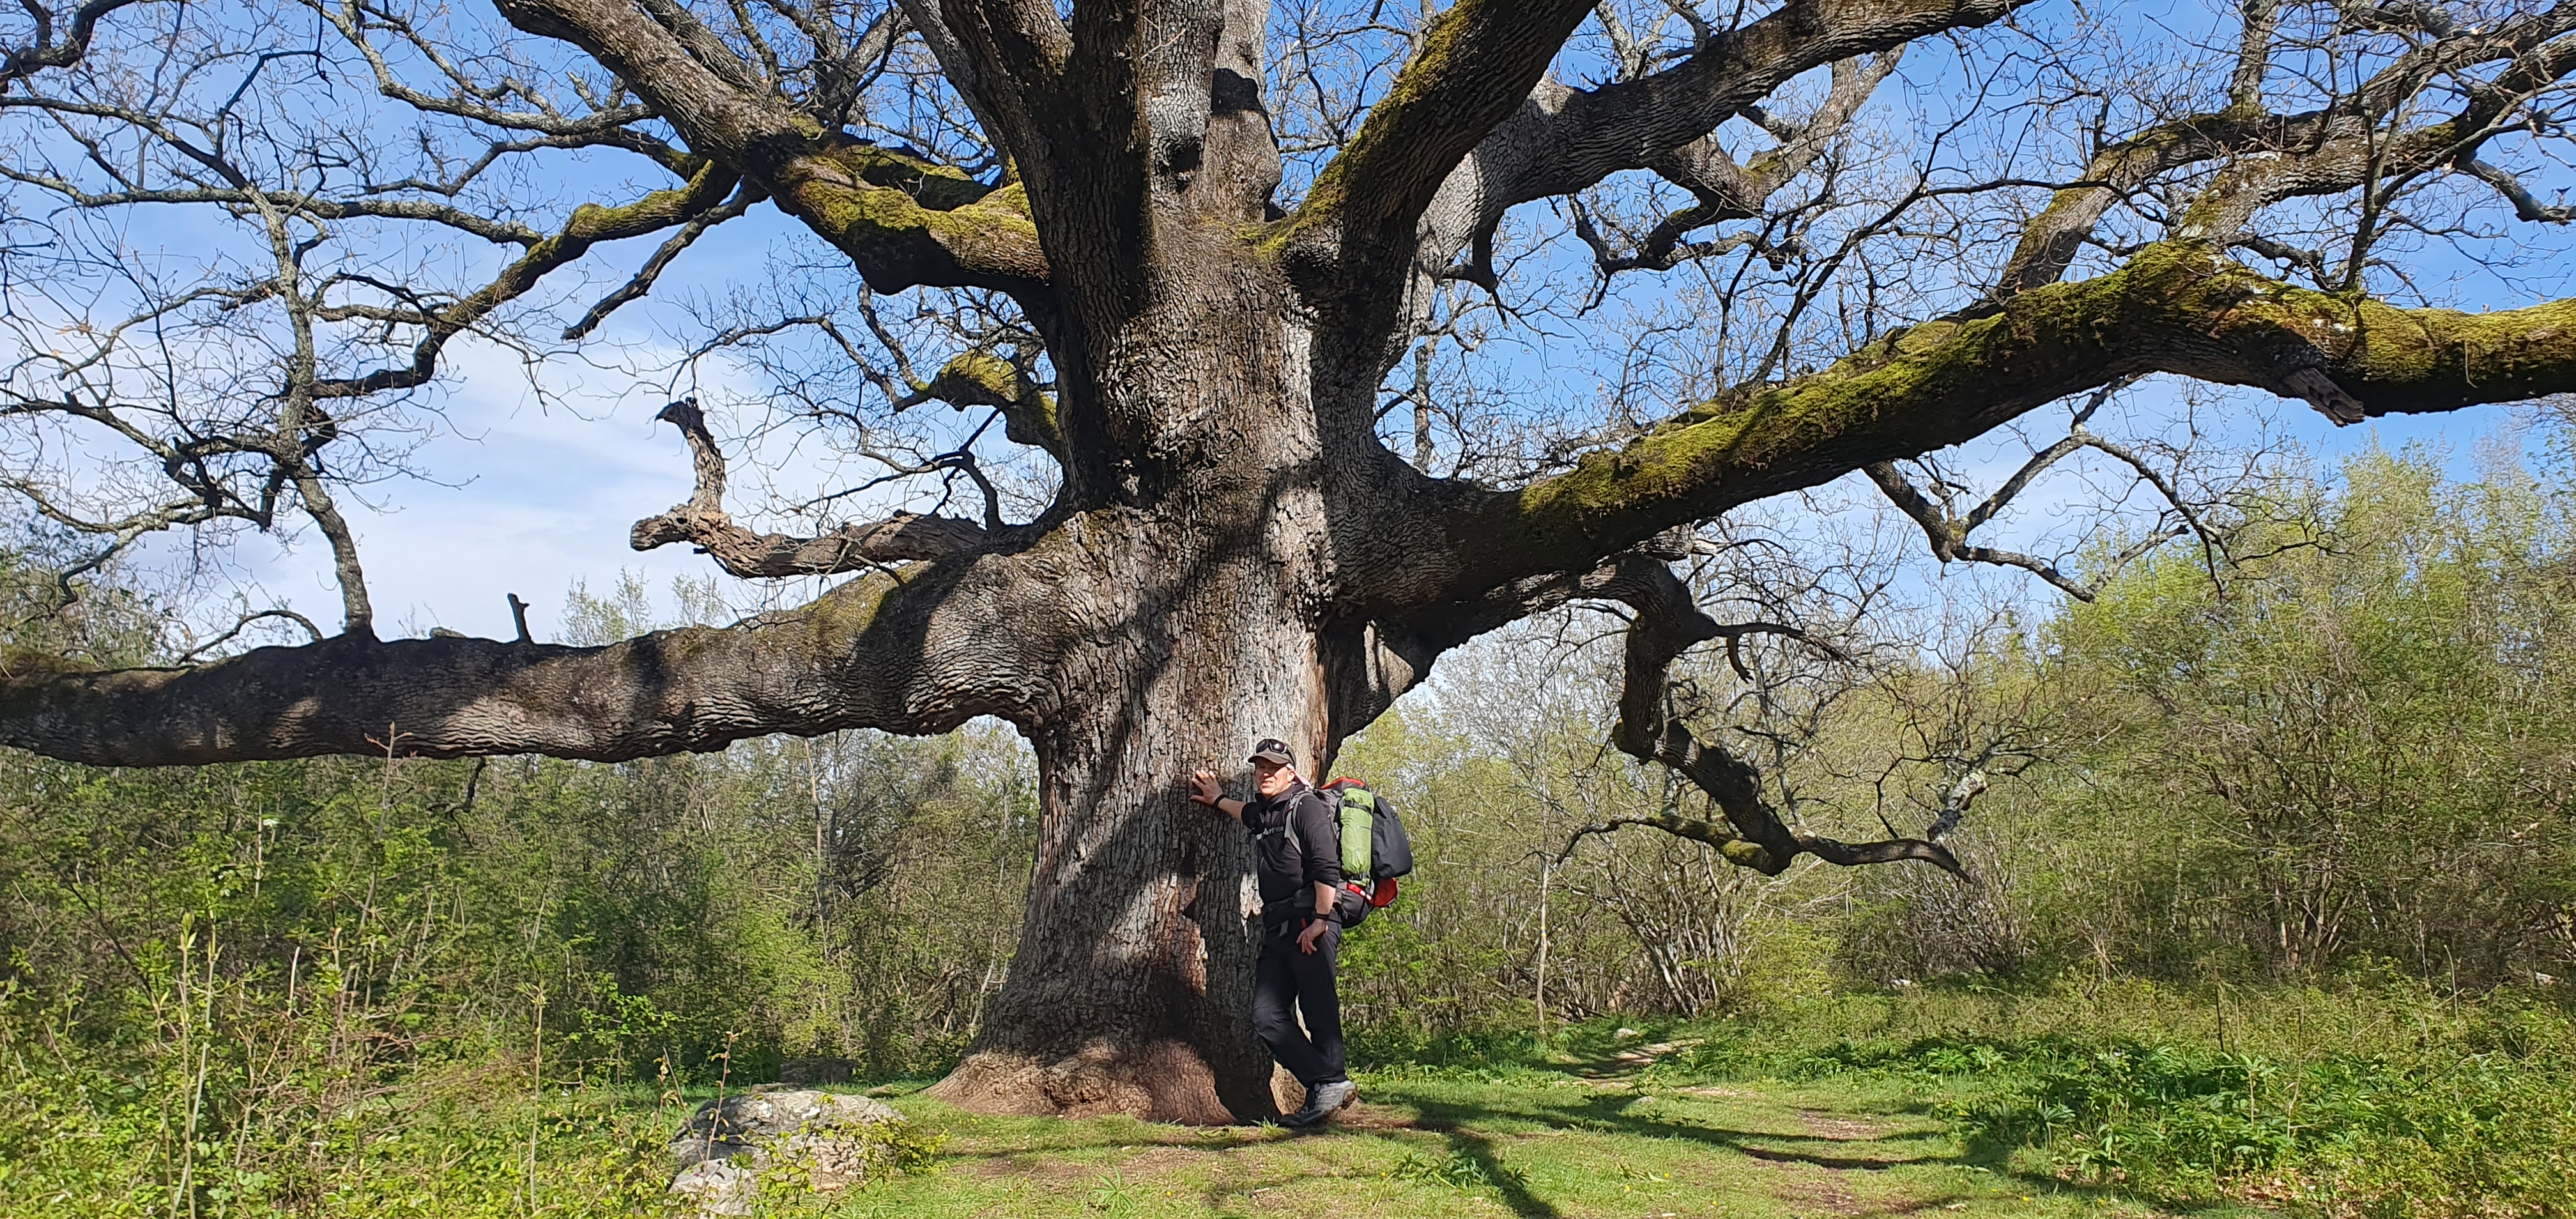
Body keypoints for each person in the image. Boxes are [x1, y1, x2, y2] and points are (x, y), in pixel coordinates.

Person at [1188, 737, 1358, 1126]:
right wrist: (1216, 799)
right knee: (1266, 1017)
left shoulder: (1308, 806)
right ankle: (1328, 1082)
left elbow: (1325, 865)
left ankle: (1328, 1085)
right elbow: (1246, 813)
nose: (1265, 774)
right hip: (1278, 925)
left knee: (1318, 1010)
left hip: (1310, 920)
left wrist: (1320, 919)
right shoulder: (1269, 813)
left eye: (1273, 768)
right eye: (1260, 768)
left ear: (1290, 772)